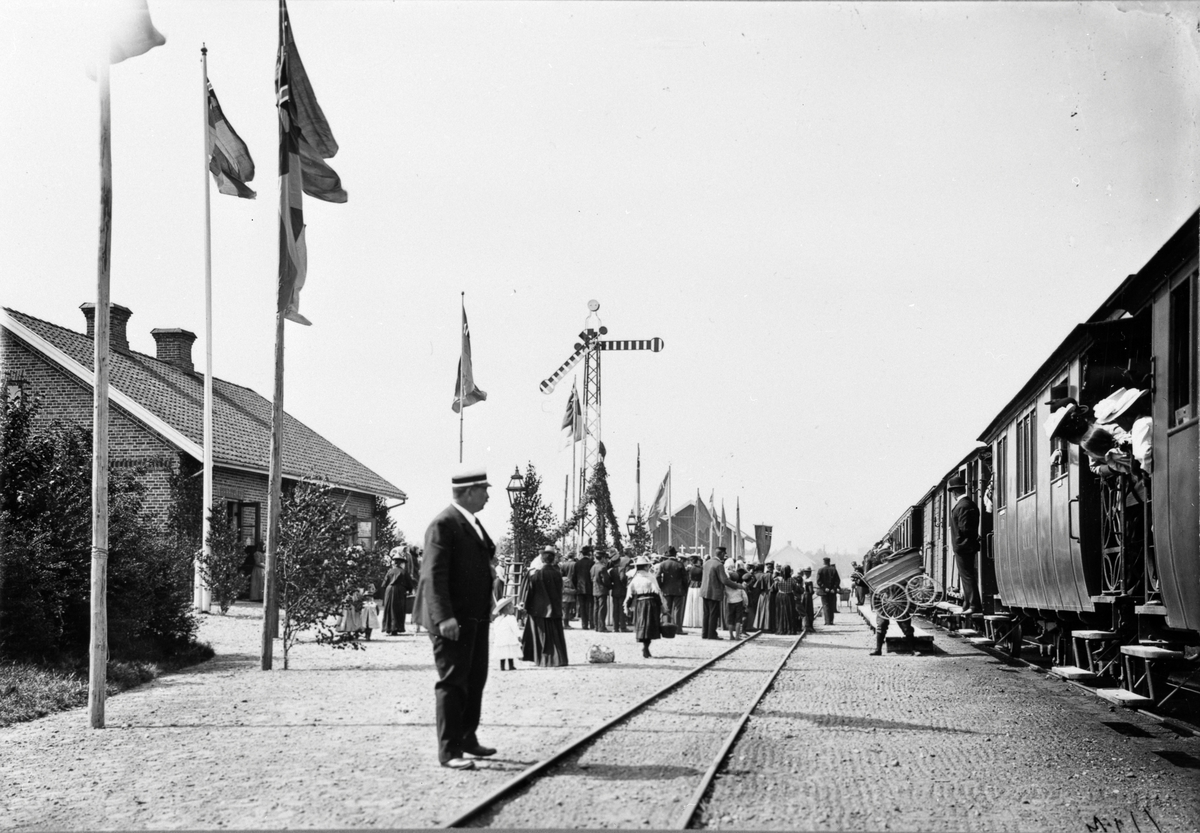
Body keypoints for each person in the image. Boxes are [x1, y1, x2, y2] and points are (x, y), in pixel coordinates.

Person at [415, 467, 498, 771]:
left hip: (474, 618)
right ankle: (450, 752)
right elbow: (432, 576)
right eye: (484, 490)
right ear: (468, 492)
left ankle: (467, 737)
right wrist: (444, 617)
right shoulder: (444, 524)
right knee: (453, 683)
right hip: (452, 622)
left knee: (475, 679)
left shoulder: (471, 523)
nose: (488, 495)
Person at [522, 546, 569, 667]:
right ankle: (559, 659)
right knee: (556, 635)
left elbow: (530, 592)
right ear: (553, 560)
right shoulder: (558, 574)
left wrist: (527, 607)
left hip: (538, 609)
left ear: (542, 560)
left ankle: (541, 659)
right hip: (555, 608)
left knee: (540, 636)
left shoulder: (536, 575)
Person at [947, 472, 982, 615]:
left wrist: (970, 539)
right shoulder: (970, 504)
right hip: (967, 546)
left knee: (967, 576)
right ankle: (967, 604)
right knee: (967, 576)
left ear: (954, 492)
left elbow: (965, 528)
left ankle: (973, 606)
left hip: (963, 546)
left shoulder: (962, 506)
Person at [624, 555, 666, 658]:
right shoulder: (650, 578)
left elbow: (629, 595)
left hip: (640, 604)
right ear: (646, 567)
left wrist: (627, 607)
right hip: (651, 604)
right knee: (650, 625)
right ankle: (646, 647)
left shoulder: (635, 579)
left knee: (642, 625)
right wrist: (662, 606)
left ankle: (644, 646)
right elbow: (657, 593)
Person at [700, 547, 741, 640]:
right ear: (722, 554)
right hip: (714, 593)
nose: (725, 556)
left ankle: (705, 633)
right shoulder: (719, 565)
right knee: (713, 614)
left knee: (706, 613)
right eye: (724, 554)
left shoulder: (706, 563)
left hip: (704, 591)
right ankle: (712, 634)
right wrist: (737, 586)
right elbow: (724, 580)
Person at [382, 549, 413, 635]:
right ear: (400, 563)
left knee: (389, 608)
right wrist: (409, 590)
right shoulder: (404, 572)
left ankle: (388, 628)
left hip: (389, 590)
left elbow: (384, 584)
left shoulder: (390, 571)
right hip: (400, 591)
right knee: (398, 609)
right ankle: (396, 628)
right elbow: (409, 584)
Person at [657, 547, 687, 633]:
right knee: (678, 609)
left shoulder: (662, 564)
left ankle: (666, 628)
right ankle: (678, 629)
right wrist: (684, 589)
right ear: (675, 554)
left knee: (667, 609)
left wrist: (661, 586)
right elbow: (685, 579)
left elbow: (657, 577)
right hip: (679, 590)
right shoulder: (680, 564)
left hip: (666, 589)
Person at [491, 595, 521, 671]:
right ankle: (511, 665)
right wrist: (519, 636)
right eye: (512, 606)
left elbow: (495, 629)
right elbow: (515, 629)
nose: (513, 608)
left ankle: (502, 666)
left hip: (501, 639)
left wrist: (496, 637)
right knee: (510, 652)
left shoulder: (497, 619)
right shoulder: (511, 618)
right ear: (507, 608)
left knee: (502, 653)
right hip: (509, 639)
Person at [573, 545, 595, 629]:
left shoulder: (577, 563)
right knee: (590, 606)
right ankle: (592, 624)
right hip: (590, 587)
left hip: (580, 588)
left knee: (582, 607)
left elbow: (574, 577)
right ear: (589, 553)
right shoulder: (591, 563)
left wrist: (576, 587)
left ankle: (584, 624)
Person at [773, 566, 799, 635]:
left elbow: (775, 588)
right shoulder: (792, 579)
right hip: (789, 596)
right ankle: (789, 629)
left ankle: (781, 628)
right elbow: (795, 589)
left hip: (780, 596)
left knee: (780, 612)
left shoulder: (777, 579)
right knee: (789, 612)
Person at [816, 557, 841, 625]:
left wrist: (824, 587)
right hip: (832, 591)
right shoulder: (834, 570)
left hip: (824, 592)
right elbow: (837, 580)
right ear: (829, 562)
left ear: (824, 562)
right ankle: (831, 621)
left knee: (825, 606)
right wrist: (833, 588)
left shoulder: (820, 570)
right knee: (831, 605)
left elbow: (818, 581)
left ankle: (827, 621)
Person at [609, 548, 629, 633]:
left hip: (614, 591)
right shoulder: (621, 569)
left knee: (615, 610)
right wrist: (624, 584)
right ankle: (623, 627)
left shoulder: (611, 570)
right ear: (619, 560)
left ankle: (615, 627)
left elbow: (610, 580)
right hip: (621, 590)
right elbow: (622, 578)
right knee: (622, 610)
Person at [591, 551, 611, 633]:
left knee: (596, 608)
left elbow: (591, 578)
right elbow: (605, 580)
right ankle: (602, 627)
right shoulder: (602, 567)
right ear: (602, 558)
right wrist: (610, 586)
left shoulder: (593, 567)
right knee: (602, 609)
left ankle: (596, 626)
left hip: (595, 589)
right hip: (602, 590)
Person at [682, 556, 704, 629]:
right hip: (698, 586)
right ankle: (699, 622)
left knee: (690, 604)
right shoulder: (701, 569)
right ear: (697, 561)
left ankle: (690, 622)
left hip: (691, 586)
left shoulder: (689, 569)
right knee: (699, 604)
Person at [559, 550, 577, 628]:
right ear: (573, 557)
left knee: (565, 606)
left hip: (564, 583)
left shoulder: (563, 565)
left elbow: (561, 574)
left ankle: (566, 620)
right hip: (573, 584)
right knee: (571, 604)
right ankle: (571, 616)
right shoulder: (575, 564)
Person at [798, 567, 816, 632]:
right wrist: (813, 592)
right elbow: (811, 591)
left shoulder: (802, 579)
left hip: (803, 595)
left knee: (803, 610)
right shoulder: (809, 581)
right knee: (809, 610)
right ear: (809, 573)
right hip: (808, 596)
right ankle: (809, 626)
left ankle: (802, 625)